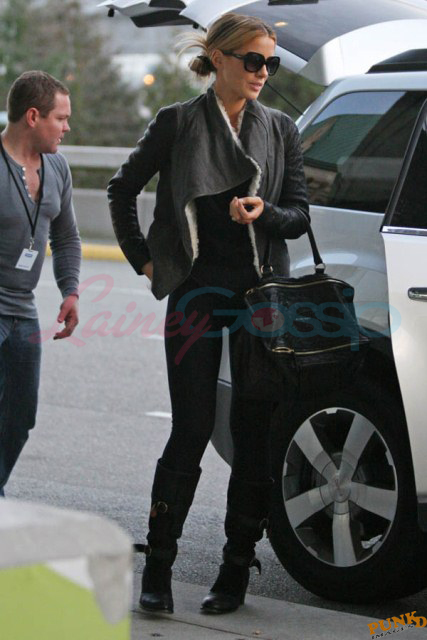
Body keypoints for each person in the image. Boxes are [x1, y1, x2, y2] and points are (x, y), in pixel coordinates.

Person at [108, 13, 309, 615]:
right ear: (219, 58)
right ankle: (159, 568)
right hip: (196, 292)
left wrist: (265, 211)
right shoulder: (177, 122)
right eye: (253, 60)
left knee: (253, 434)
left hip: (259, 299)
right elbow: (122, 188)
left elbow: (299, 215)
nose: (263, 73)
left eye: (271, 63)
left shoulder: (281, 130)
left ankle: (235, 571)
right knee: (191, 427)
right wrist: (145, 260)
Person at [0, 70, 81, 497]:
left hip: (23, 310)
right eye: (60, 118)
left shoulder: (57, 167)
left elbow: (66, 237)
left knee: (19, 417)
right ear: (33, 116)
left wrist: (71, 290)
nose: (67, 128)